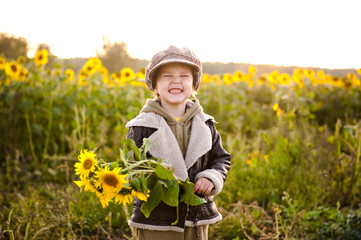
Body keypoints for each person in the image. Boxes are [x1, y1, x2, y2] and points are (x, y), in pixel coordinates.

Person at [126, 45, 231, 240]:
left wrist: (210, 178)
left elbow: (221, 159)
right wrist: (154, 171)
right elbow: (131, 165)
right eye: (166, 76)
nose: (176, 80)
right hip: (156, 219)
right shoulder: (141, 126)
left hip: (195, 215)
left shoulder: (205, 125)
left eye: (184, 76)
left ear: (194, 85)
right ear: (154, 86)